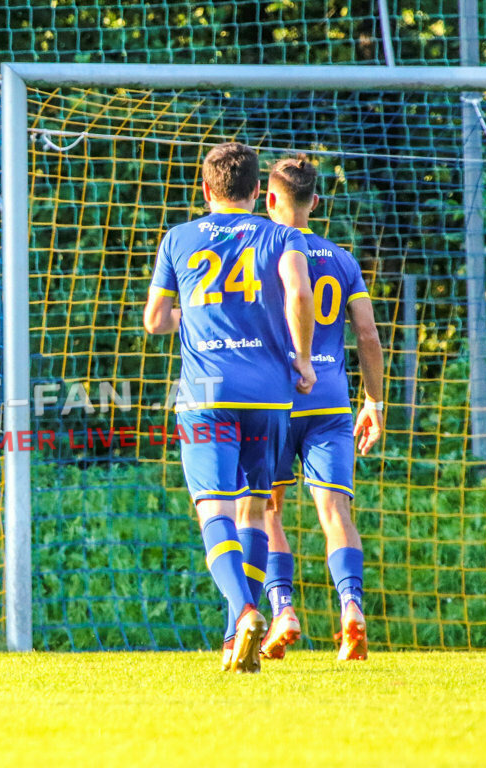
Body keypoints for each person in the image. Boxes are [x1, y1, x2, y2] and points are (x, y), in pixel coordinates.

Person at [143, 142, 316, 673]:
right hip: (266, 393)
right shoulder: (283, 236)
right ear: (257, 192)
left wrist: (190, 321)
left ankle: (242, 611)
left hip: (205, 395)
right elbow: (299, 294)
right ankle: (232, 636)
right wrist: (304, 360)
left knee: (212, 508)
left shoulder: (179, 238)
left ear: (206, 188)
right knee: (256, 509)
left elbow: (155, 319)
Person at [259, 156, 384, 662]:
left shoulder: (260, 254)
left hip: (272, 399)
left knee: (269, 509)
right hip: (332, 400)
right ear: (316, 202)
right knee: (335, 511)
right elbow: (369, 335)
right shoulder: (343, 258)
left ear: (270, 200)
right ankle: (351, 606)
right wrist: (374, 401)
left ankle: (283, 608)